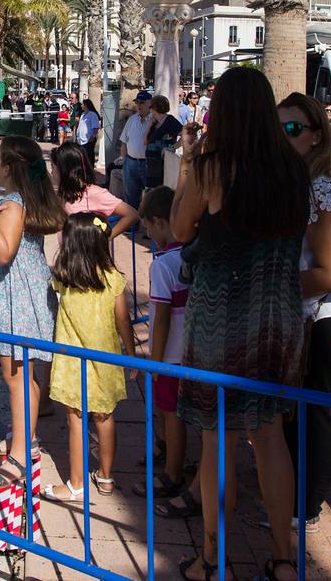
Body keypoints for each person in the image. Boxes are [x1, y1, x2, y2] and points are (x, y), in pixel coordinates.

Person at [171, 66, 309, 581]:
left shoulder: (213, 168)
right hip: (278, 318)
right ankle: (283, 558)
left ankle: (212, 558)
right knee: (270, 435)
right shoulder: (293, 169)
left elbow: (182, 229)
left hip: (221, 319)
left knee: (218, 439)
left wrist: (190, 164)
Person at [0, 136, 68, 490]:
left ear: (8, 168)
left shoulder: (12, 204)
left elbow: (3, 252)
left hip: (16, 300)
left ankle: (20, 455)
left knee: (16, 378)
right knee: (24, 376)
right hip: (24, 295)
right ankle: (25, 440)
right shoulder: (30, 199)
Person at [277, 93, 331, 530]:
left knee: (310, 411)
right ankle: (289, 492)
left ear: (317, 136)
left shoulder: (322, 187)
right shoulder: (293, 181)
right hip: (293, 315)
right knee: (290, 410)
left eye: (293, 129)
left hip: (318, 318)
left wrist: (273, 286)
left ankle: (305, 503)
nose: (283, 138)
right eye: (278, 129)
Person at [41, 213, 137, 501]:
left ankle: (75, 483)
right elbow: (123, 321)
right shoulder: (113, 279)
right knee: (105, 418)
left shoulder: (63, 276)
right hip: (105, 360)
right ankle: (106, 477)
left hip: (72, 362)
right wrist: (131, 355)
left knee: (76, 420)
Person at [140, 186, 193, 506]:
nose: (146, 233)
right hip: (189, 351)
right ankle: (173, 456)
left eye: (147, 227)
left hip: (169, 356)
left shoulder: (162, 264)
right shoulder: (189, 254)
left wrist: (154, 361)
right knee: (175, 412)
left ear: (159, 222)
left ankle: (173, 472)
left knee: (170, 413)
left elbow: (159, 320)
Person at [51, 141, 137, 238]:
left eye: (53, 167)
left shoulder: (94, 193)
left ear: (65, 171)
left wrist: (105, 239)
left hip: (90, 253)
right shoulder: (64, 194)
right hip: (69, 252)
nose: (51, 172)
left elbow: (131, 214)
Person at [119, 90, 155, 210]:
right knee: (130, 195)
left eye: (142, 102)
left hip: (147, 164)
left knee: (149, 197)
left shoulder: (154, 121)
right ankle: (132, 224)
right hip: (131, 162)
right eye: (137, 102)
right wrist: (125, 162)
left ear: (150, 103)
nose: (139, 105)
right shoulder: (132, 120)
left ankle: (147, 226)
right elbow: (124, 142)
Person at [145, 94, 183, 187]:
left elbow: (184, 136)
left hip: (163, 163)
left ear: (155, 108)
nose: (150, 110)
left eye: (151, 107)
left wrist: (172, 147)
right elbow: (145, 142)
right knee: (149, 188)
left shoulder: (170, 121)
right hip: (151, 164)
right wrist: (150, 126)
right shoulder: (154, 123)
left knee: (159, 188)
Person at [75, 99, 101, 167]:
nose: (81, 106)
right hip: (81, 140)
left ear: (86, 105)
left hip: (89, 140)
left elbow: (96, 127)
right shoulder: (82, 114)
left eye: (82, 104)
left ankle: (90, 171)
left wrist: (93, 136)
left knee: (89, 157)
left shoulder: (92, 115)